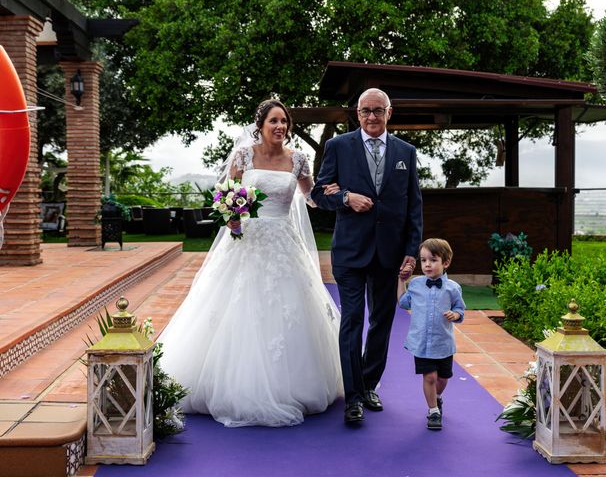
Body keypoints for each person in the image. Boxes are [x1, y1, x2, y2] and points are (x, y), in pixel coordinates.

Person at [159, 99, 343, 427]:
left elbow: (311, 197)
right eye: (274, 121)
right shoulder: (245, 155)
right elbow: (227, 194)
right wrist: (231, 217)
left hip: (285, 244)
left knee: (290, 307)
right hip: (248, 243)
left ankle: (294, 384)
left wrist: (331, 194)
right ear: (260, 125)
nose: (280, 127)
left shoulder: (298, 159)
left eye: (284, 121)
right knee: (238, 306)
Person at [311, 88, 423, 423]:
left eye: (378, 110)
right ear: (356, 114)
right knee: (353, 320)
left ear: (390, 112)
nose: (371, 117)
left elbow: (413, 206)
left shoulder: (406, 152)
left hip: (388, 254)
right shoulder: (338, 147)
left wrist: (410, 252)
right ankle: (354, 397)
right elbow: (319, 192)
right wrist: (346, 198)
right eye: (365, 111)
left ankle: (369, 383)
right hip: (350, 251)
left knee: (382, 322)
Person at [397, 238, 465, 430]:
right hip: (422, 342)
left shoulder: (453, 288)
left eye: (433, 260)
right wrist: (401, 281)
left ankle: (437, 397)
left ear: (446, 262)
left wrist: (456, 314)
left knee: (443, 378)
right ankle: (433, 411)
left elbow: (460, 309)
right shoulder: (417, 284)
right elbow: (403, 302)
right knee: (430, 377)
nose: (427, 264)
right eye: (423, 260)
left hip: (443, 343)